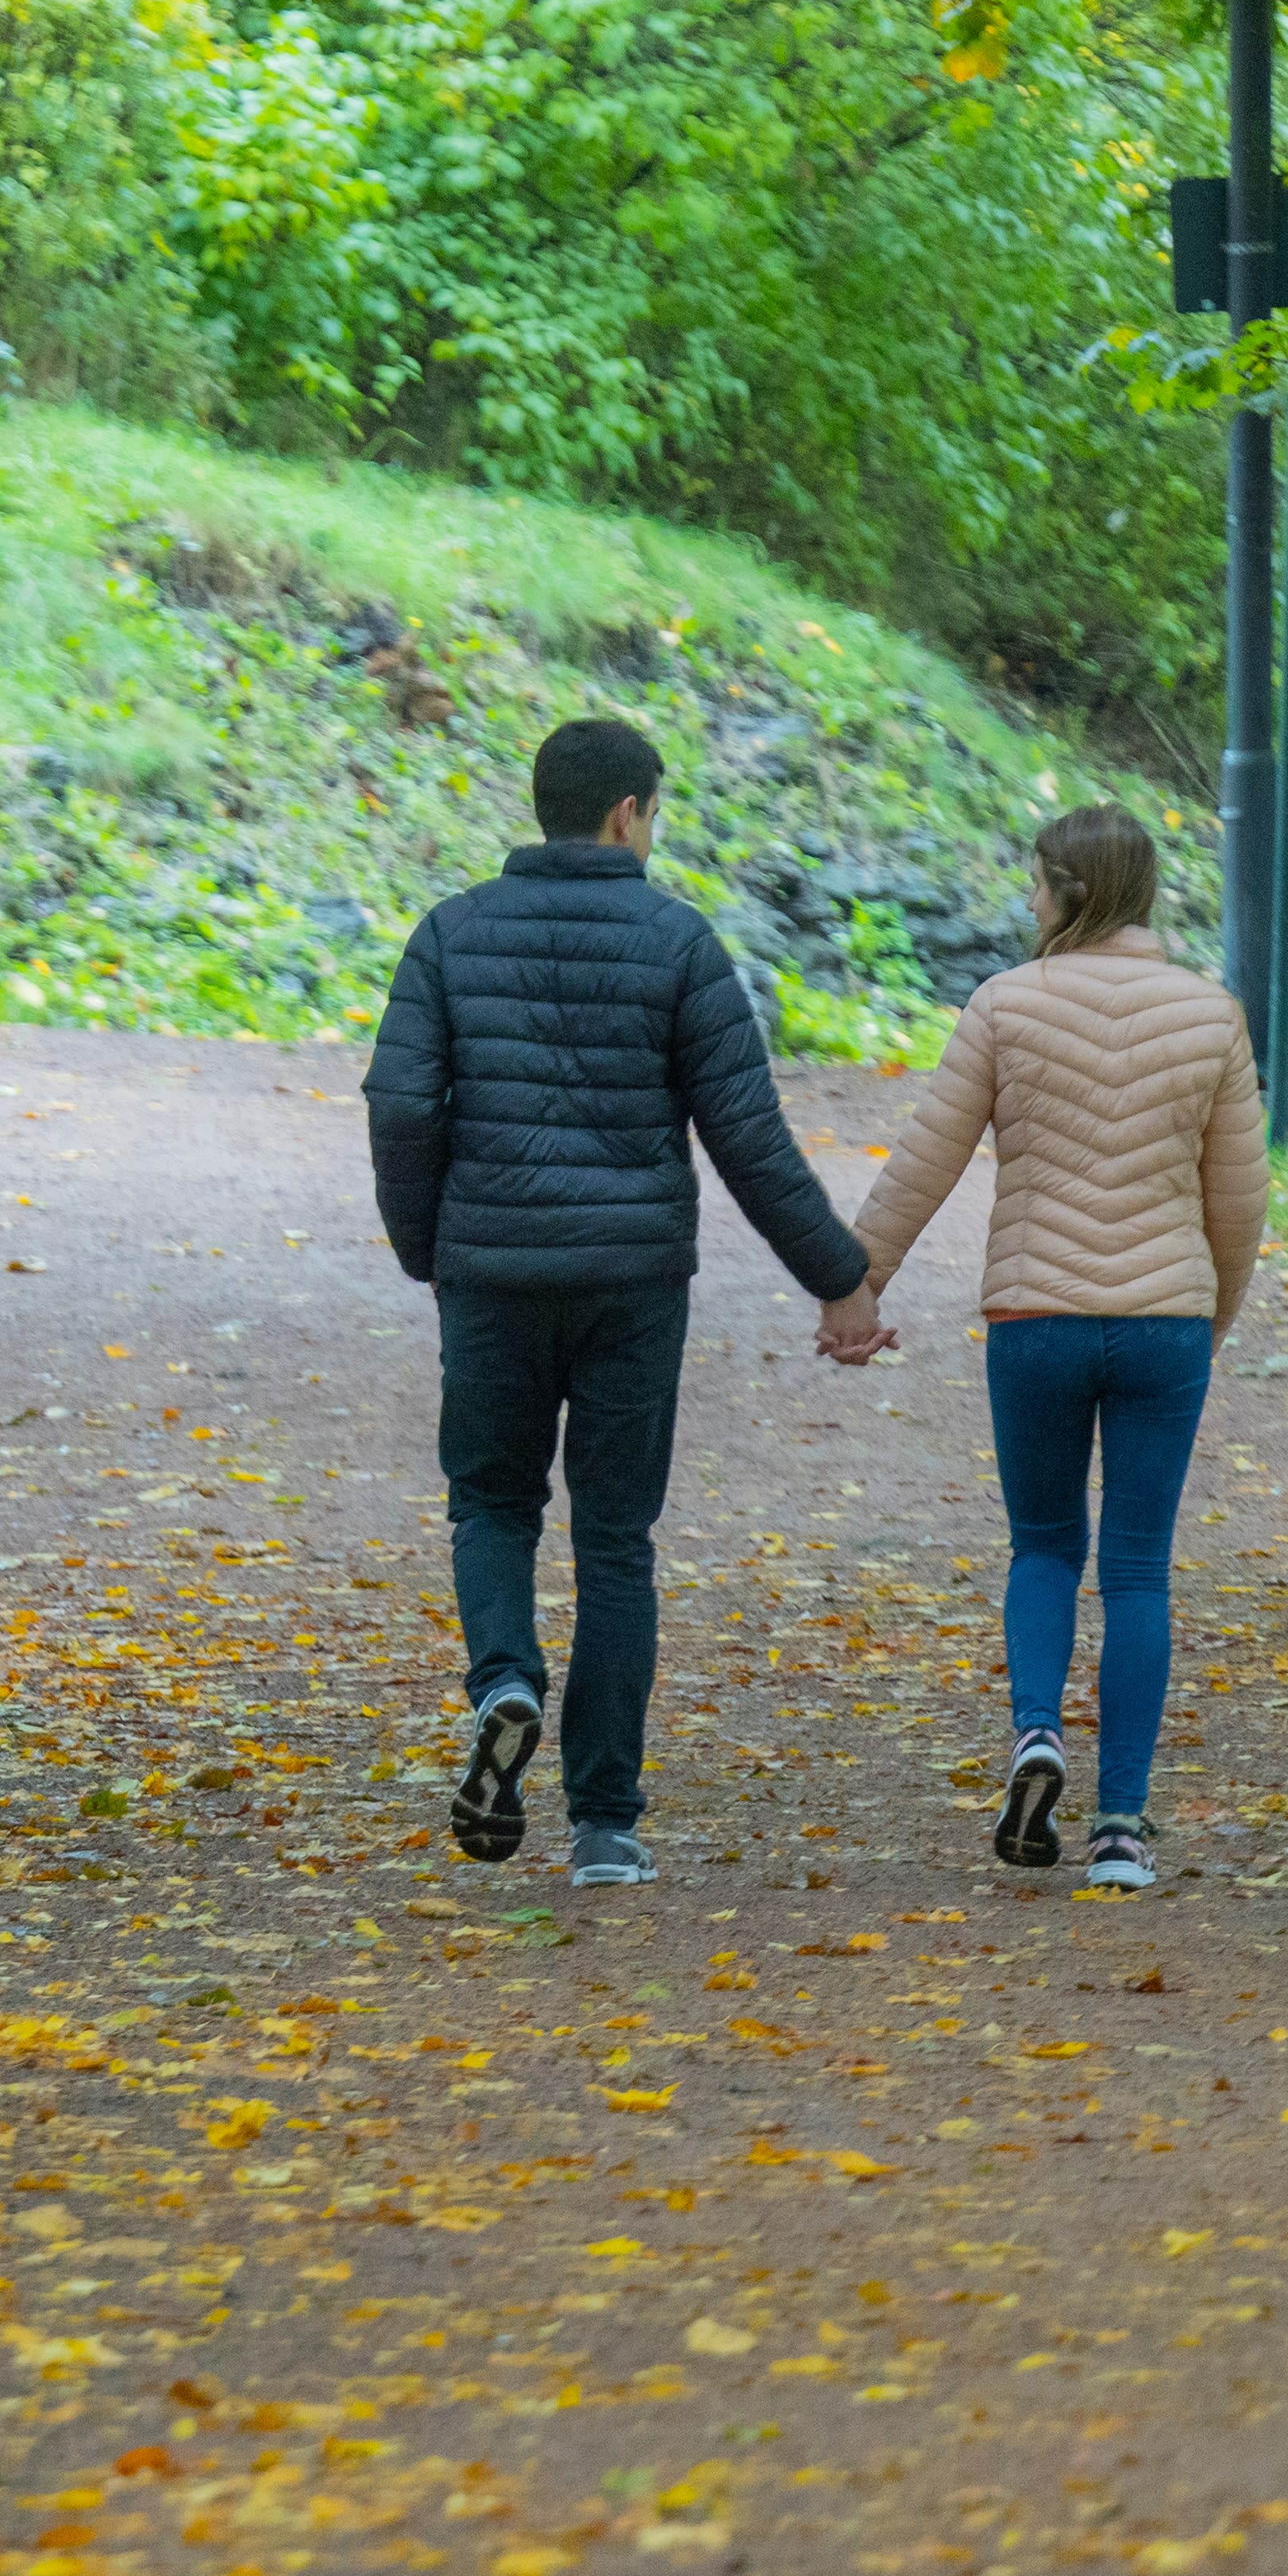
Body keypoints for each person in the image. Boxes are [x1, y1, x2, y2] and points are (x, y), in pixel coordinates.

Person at [362, 715, 877, 1887]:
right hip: (634, 1285)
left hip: (491, 1275)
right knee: (614, 1542)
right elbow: (749, 1138)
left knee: (491, 1503)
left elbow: (398, 1104)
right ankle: (605, 1825)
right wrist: (839, 1281)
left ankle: (503, 1681)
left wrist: (425, 1246)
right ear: (630, 815)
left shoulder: (450, 933)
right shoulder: (678, 943)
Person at [821, 802, 1258, 1894]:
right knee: (1141, 1568)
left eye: (1036, 884)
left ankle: (1033, 1739)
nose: (1028, 902)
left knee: (1046, 1548)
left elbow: (923, 1161)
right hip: (1165, 1327)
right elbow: (1239, 1201)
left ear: (1070, 892)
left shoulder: (1006, 1007)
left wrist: (857, 1288)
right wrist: (1212, 1315)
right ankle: (1120, 1830)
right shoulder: (1211, 1015)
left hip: (1036, 1321)